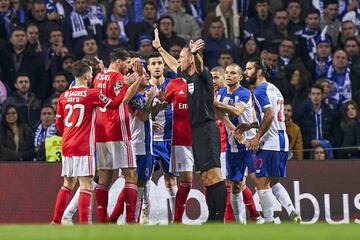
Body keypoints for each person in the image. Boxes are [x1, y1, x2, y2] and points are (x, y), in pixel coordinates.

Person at [51, 59, 140, 224]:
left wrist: (69, 135)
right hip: (83, 145)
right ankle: (85, 225)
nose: (92, 77)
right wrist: (125, 85)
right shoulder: (91, 94)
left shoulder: (63, 96)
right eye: (91, 74)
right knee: (86, 185)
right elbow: (113, 104)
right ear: (85, 76)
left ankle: (56, 221)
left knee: (67, 184)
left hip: (67, 145)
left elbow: (58, 123)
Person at [153, 28, 227, 222]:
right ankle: (213, 219)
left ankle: (219, 219)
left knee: (215, 175)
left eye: (183, 57)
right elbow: (173, 64)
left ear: (192, 60)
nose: (179, 60)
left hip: (207, 129)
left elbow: (200, 67)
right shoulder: (186, 77)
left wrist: (194, 53)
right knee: (205, 177)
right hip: (195, 131)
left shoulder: (203, 76)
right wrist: (160, 48)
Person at [237, 58, 301, 223]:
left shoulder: (259, 90)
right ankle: (292, 210)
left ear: (259, 72)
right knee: (272, 181)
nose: (245, 72)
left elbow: (270, 115)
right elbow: (271, 116)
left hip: (269, 142)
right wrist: (251, 124)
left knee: (261, 182)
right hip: (282, 140)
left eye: (249, 69)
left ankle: (269, 219)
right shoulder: (275, 89)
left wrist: (257, 137)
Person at [93, 49, 143, 224]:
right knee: (130, 175)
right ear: (119, 61)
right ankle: (130, 220)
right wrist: (136, 80)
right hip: (118, 130)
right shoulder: (118, 78)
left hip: (101, 132)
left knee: (104, 178)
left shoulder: (98, 77)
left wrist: (132, 81)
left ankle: (103, 221)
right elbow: (124, 100)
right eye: (128, 62)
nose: (129, 66)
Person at [214, 63, 258, 223]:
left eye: (233, 73)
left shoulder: (244, 93)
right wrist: (234, 130)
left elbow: (237, 111)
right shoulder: (221, 92)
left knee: (257, 180)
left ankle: (265, 216)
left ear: (240, 77)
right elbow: (218, 113)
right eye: (226, 72)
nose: (228, 75)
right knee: (235, 184)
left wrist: (215, 103)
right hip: (232, 145)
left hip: (249, 143)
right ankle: (240, 223)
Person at [146, 52, 178, 222]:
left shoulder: (172, 85)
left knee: (171, 180)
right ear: (148, 67)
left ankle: (176, 220)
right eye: (153, 63)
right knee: (145, 179)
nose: (157, 66)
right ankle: (144, 216)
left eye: (159, 63)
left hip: (169, 140)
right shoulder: (142, 87)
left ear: (164, 66)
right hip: (149, 141)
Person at [128, 71, 157, 224]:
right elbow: (143, 116)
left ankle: (139, 217)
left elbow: (147, 119)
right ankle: (134, 219)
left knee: (143, 182)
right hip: (139, 147)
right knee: (139, 184)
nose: (147, 76)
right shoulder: (134, 97)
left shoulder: (141, 97)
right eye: (144, 75)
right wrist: (151, 98)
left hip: (145, 146)